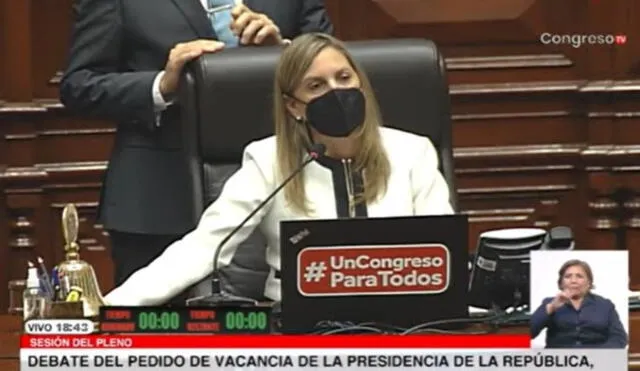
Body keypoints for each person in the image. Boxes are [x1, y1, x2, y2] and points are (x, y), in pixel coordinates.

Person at [104, 33, 454, 305]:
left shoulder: (411, 152)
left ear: (360, 83)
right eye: (316, 86)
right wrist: (109, 306)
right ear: (294, 106)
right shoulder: (269, 160)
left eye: (344, 78)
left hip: (399, 320)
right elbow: (204, 246)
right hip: (297, 323)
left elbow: (442, 253)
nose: (336, 91)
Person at [59, 0, 334, 288]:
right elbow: (80, 85)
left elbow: (339, 72)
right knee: (155, 328)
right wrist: (162, 85)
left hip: (284, 192)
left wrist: (284, 55)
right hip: (158, 202)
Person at [530, 259, 628, 348]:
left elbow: (619, 338)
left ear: (589, 282)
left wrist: (597, 356)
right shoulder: (549, 303)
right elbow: (528, 334)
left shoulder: (605, 305)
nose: (573, 281)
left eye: (579, 276)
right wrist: (551, 308)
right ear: (561, 283)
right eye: (568, 277)